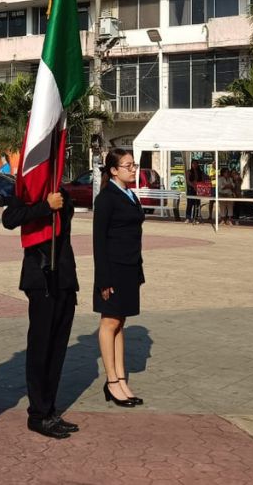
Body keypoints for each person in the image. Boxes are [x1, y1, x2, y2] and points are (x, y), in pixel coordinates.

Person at [1, 180, 79, 439]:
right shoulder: (30, 188)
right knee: (41, 347)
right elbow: (10, 218)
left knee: (57, 348)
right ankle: (37, 414)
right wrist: (45, 206)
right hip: (41, 276)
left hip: (64, 276)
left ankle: (49, 410)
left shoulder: (62, 190)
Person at [93, 149, 145, 410]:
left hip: (129, 269)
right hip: (112, 270)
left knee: (120, 321)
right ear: (113, 170)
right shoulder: (106, 199)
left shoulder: (130, 195)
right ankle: (111, 380)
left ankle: (121, 378)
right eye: (128, 165)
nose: (133, 169)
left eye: (134, 165)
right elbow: (98, 242)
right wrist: (103, 279)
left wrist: (138, 270)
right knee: (109, 321)